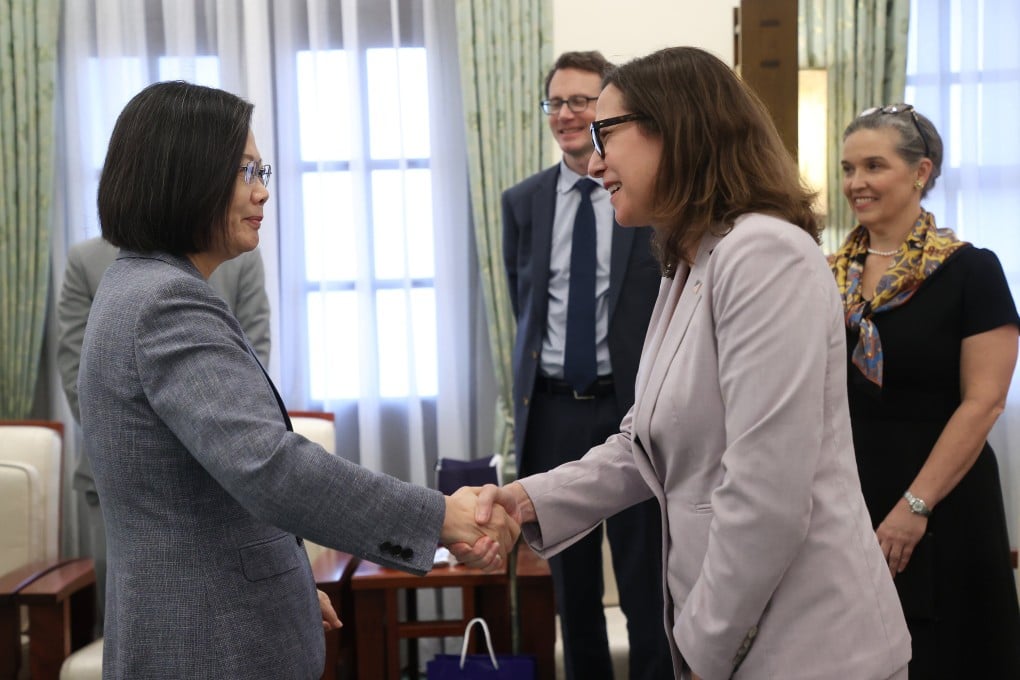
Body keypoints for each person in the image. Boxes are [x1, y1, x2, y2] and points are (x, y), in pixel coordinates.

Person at [462, 47, 911, 680]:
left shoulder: (764, 255)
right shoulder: (691, 262)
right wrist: (526, 501)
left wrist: (700, 653)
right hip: (744, 639)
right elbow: (642, 442)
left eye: (604, 134)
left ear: (674, 128)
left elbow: (766, 500)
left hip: (809, 644)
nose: (593, 163)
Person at [78, 80, 516, 678]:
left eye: (263, 170)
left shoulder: (132, 286)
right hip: (210, 650)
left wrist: (282, 588)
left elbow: (199, 490)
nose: (262, 192)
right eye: (244, 172)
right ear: (186, 175)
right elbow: (269, 468)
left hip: (211, 625)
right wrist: (440, 517)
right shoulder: (166, 304)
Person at [832, 104, 1020, 677]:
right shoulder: (824, 274)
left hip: (944, 503)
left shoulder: (971, 271)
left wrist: (916, 506)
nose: (856, 183)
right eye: (847, 168)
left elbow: (983, 401)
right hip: (852, 498)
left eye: (873, 165)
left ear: (920, 172)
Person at [501, 50, 671, 680]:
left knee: (644, 578)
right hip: (549, 409)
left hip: (627, 406)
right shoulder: (522, 202)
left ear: (607, 111)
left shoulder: (647, 197)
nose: (568, 114)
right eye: (556, 102)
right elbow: (526, 308)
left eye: (582, 101)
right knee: (569, 593)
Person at [57, 238, 271, 631]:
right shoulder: (86, 260)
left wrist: (212, 439)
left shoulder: (239, 256)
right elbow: (76, 368)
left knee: (228, 626)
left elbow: (254, 354)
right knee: (137, 626)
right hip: (117, 477)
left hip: (225, 475)